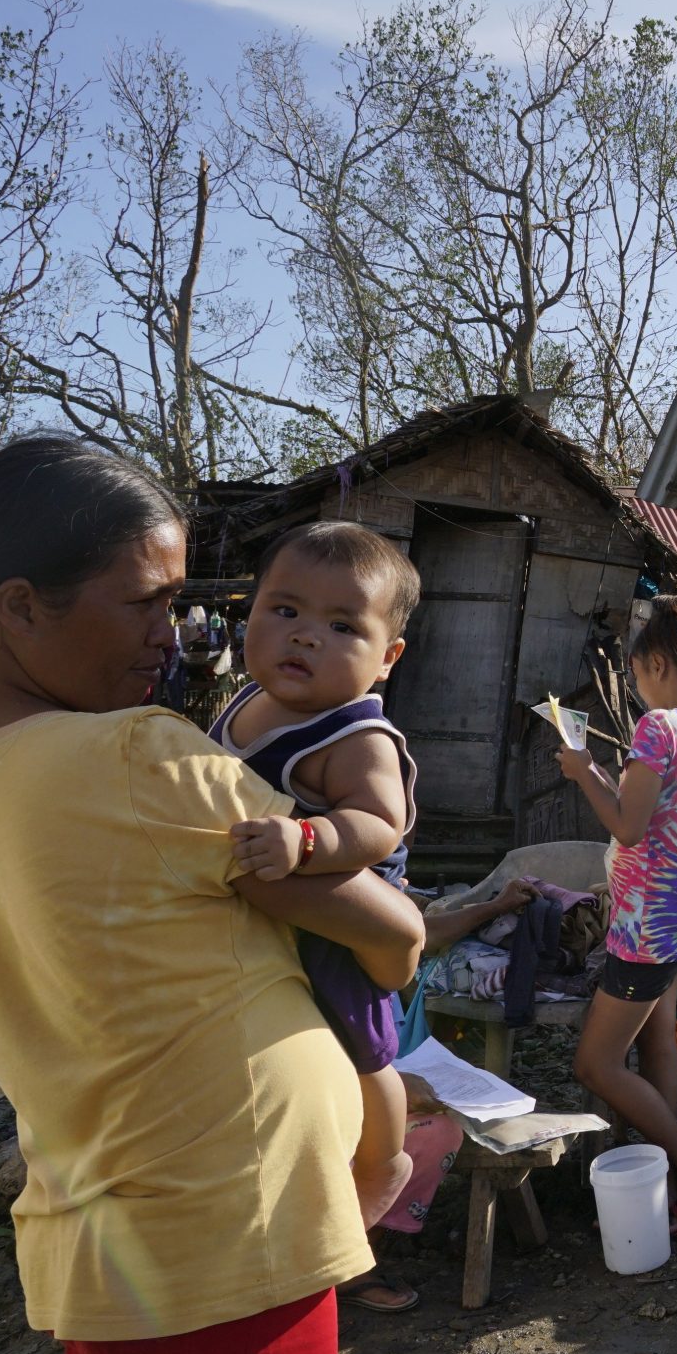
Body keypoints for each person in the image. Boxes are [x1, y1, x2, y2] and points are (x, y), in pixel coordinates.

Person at [0, 437, 425, 1354]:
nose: (169, 635)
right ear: (20, 608)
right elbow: (396, 937)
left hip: (109, 1248)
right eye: (146, 602)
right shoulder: (138, 756)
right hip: (231, 1245)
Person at [209, 521, 423, 1252]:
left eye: (342, 626)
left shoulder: (356, 736)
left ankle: (385, 1160)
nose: (304, 636)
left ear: (387, 658)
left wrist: (306, 840)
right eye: (285, 610)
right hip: (271, 912)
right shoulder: (247, 700)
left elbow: (379, 824)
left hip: (342, 914)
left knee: (363, 1048)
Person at [557, 594, 677, 1237]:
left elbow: (628, 829)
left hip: (646, 925)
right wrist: (603, 775)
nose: (636, 687)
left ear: (656, 663)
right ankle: (673, 1173)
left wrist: (582, 773)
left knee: (596, 1064)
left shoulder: (656, 728)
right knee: (658, 1041)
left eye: (635, 673)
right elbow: (651, 812)